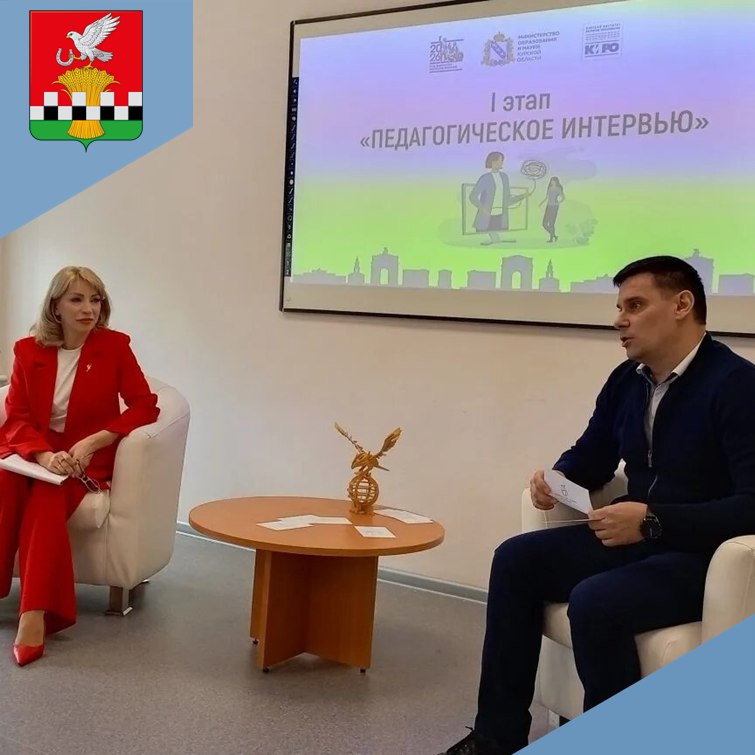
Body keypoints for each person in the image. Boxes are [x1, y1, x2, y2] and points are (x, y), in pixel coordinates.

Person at [439, 255, 755, 754]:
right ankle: (496, 737)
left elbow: (751, 505)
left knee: (597, 601)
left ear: (682, 305)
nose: (619, 320)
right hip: (637, 535)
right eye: (619, 307)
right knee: (516, 559)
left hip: (705, 554)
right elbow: (593, 455)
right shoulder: (628, 379)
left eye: (635, 306)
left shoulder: (738, 386)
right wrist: (558, 478)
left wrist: (653, 521)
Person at [0, 266, 159, 667]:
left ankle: (33, 614)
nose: (89, 309)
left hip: (82, 457)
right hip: (33, 451)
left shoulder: (115, 346)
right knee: (5, 484)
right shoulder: (27, 350)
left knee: (46, 500)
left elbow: (144, 405)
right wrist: (42, 455)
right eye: (76, 300)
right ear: (56, 306)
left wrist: (95, 441)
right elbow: (16, 416)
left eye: (95, 299)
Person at [469, 152, 516, 246]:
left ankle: (496, 240)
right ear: (493, 162)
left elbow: (507, 199)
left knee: (497, 236)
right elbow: (472, 196)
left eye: (502, 161)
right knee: (488, 230)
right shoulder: (485, 178)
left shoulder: (504, 177)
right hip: (488, 215)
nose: (502, 163)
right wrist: (483, 209)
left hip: (501, 214)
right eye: (500, 160)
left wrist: (523, 196)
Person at [539, 177, 564, 243]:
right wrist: (541, 203)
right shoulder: (549, 188)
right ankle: (554, 236)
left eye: (553, 181)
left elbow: (563, 197)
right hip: (548, 206)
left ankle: (551, 239)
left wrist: (558, 202)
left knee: (551, 223)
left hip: (554, 207)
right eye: (551, 181)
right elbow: (547, 197)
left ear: (556, 181)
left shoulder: (558, 189)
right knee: (544, 223)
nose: (552, 182)